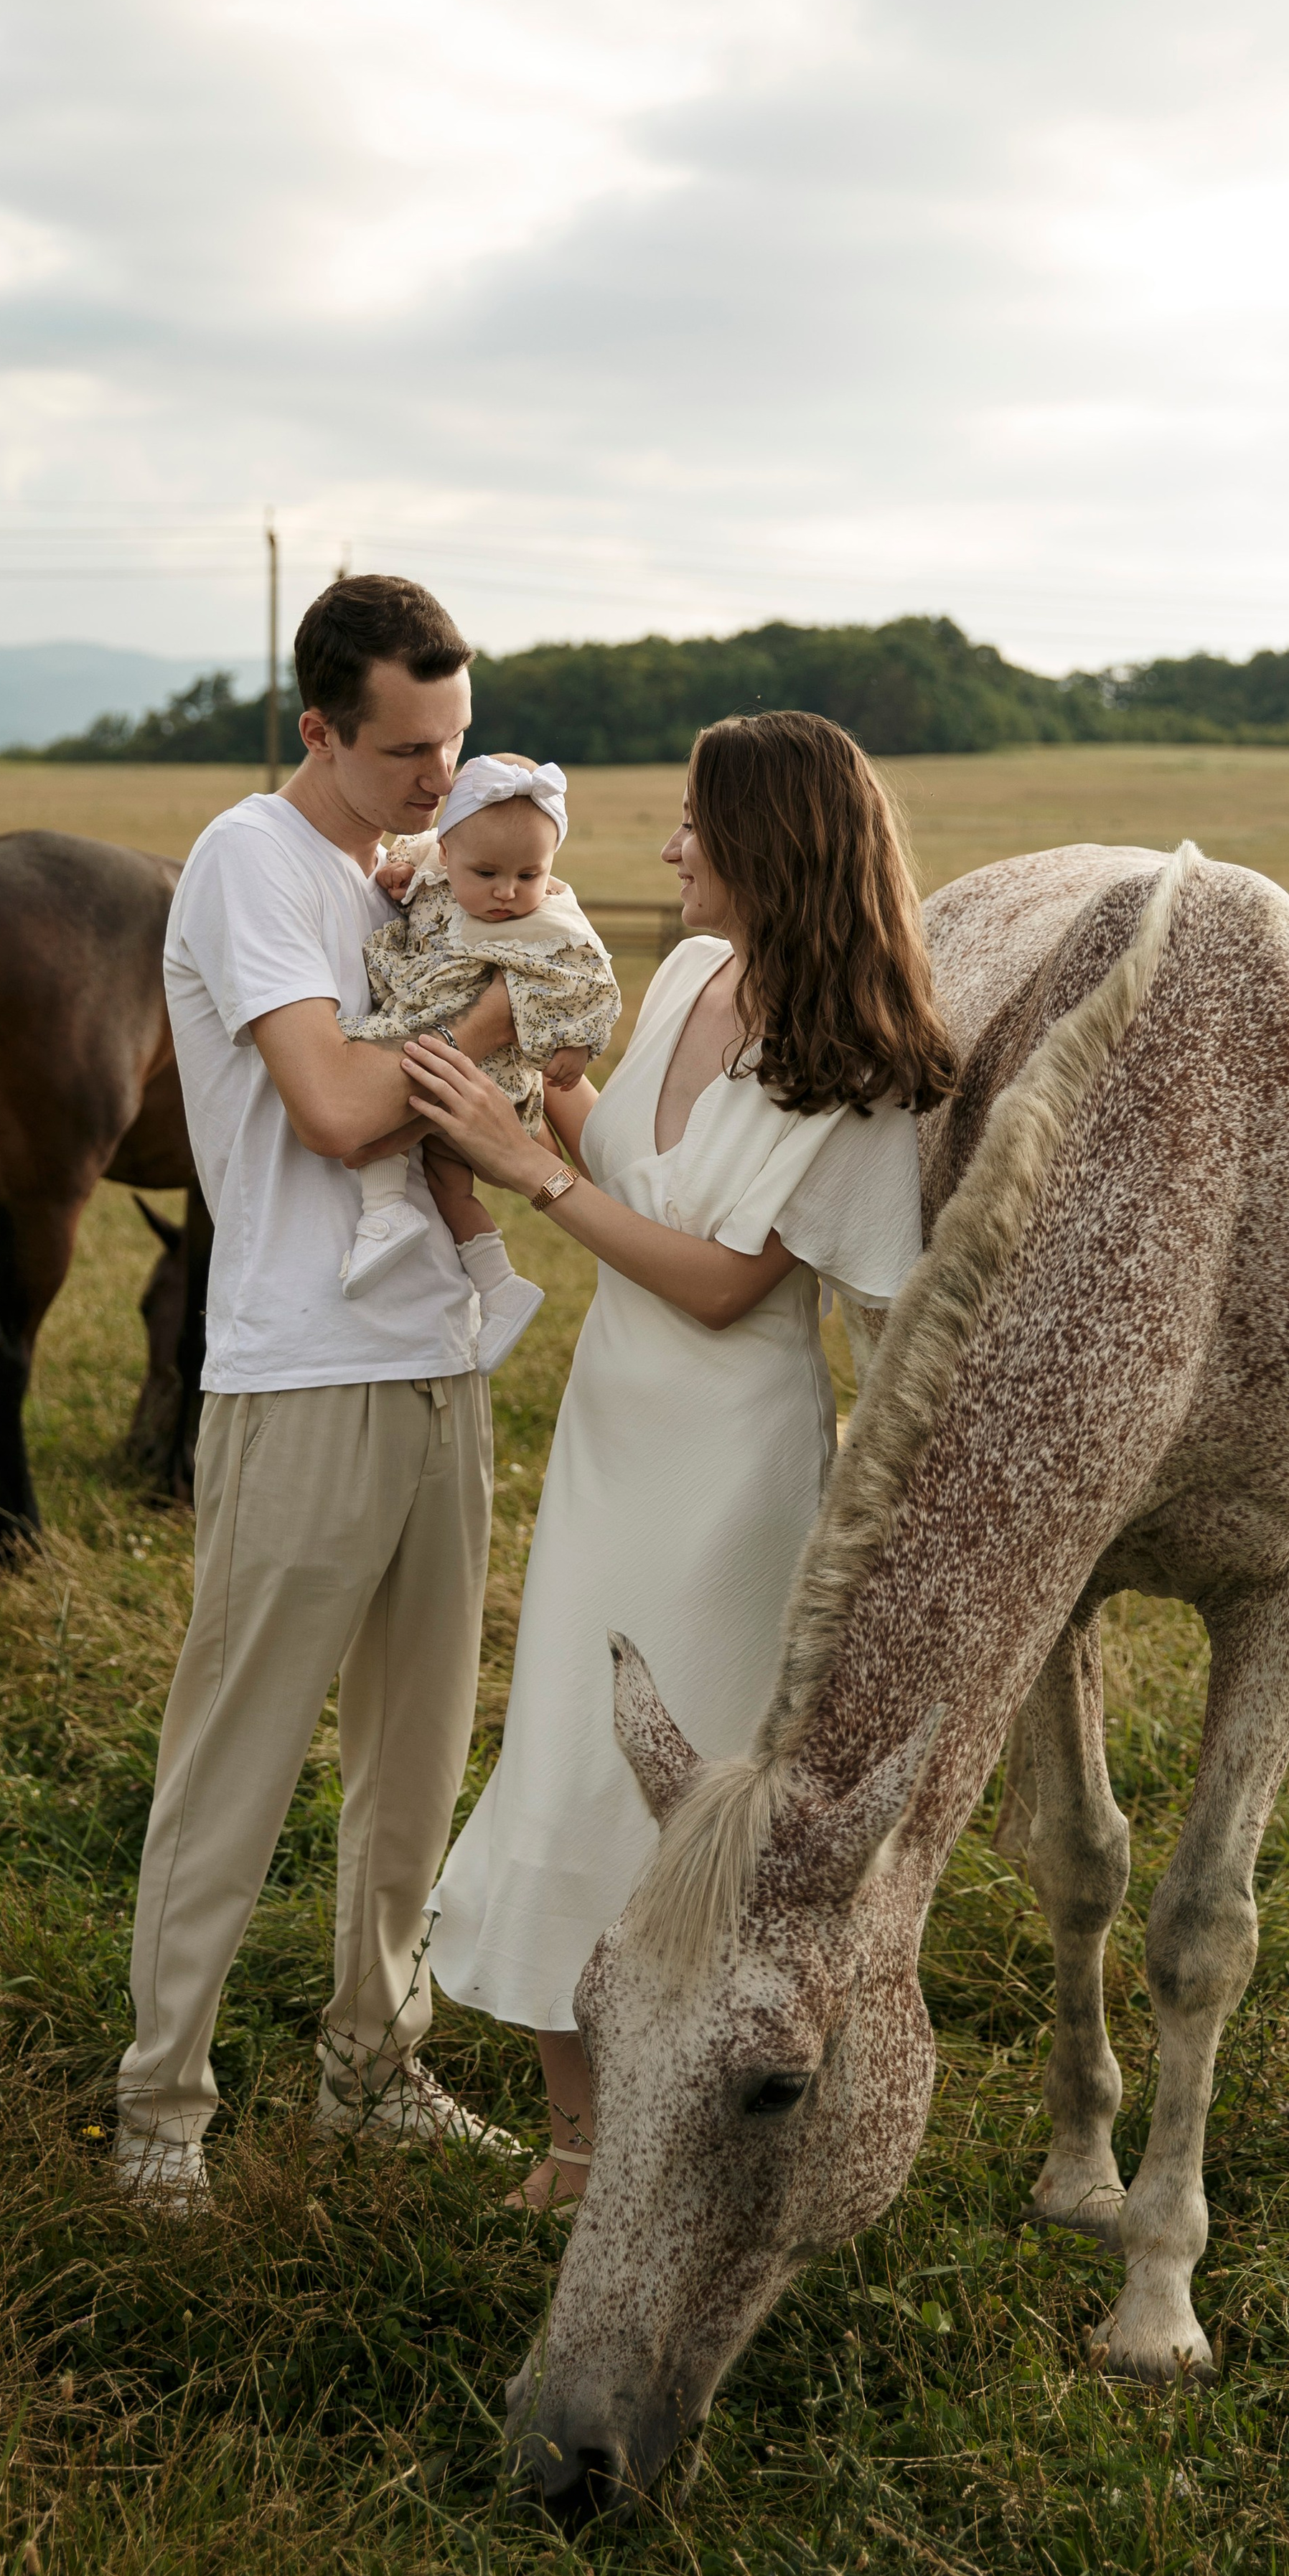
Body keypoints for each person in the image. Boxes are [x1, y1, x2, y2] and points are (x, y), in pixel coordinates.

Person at [405, 710, 959, 2210]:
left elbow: (722, 1282)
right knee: (566, 1757)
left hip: (727, 1467)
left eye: (694, 828)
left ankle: (686, 2128)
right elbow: (618, 1158)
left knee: (679, 1798)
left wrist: (521, 1170)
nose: (667, 850)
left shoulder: (848, 1066)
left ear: (762, 848)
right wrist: (521, 1082)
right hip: (608, 1425)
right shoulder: (695, 976)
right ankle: (574, 2136)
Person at [114, 574, 525, 2212]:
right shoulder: (246, 862)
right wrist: (516, 997)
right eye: (411, 748)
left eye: (459, 742)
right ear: (320, 728)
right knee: (240, 1751)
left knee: (414, 1756)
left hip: (437, 1362)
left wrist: (452, 923)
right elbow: (341, 1109)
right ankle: (161, 2109)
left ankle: (374, 2061)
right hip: (301, 1367)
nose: (443, 778)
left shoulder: (395, 872)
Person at [338, 752, 622, 1369]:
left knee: (376, 1090)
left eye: (530, 873)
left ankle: (383, 1211)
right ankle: (498, 1284)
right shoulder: (438, 861)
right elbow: (410, 854)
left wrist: (576, 1044)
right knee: (445, 1180)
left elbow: (592, 978)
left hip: (489, 1084)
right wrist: (398, 871)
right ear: (449, 847)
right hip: (447, 1050)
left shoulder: (550, 918)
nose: (506, 892)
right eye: (487, 872)